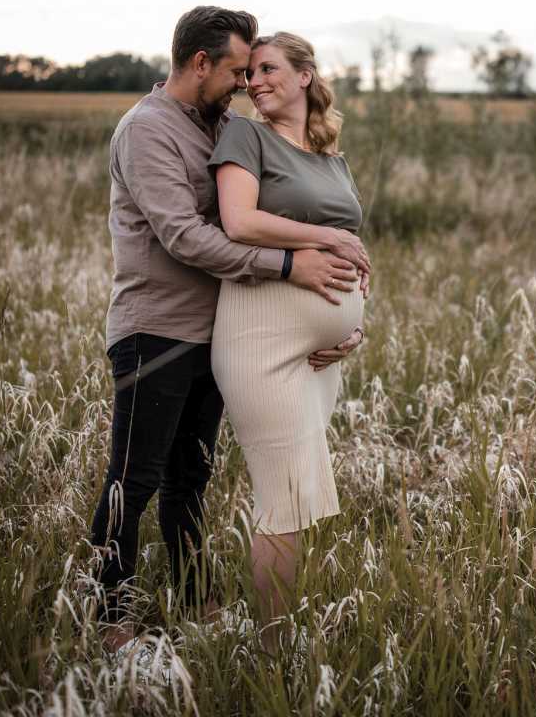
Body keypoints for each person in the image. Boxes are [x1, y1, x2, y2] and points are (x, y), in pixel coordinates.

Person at [89, 7, 367, 653]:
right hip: (155, 330)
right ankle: (110, 618)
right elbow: (186, 237)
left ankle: (192, 599)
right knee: (133, 479)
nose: (245, 84)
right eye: (238, 71)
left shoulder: (218, 126)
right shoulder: (148, 131)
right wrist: (292, 264)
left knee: (190, 479)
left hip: (212, 332)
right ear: (200, 64)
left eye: (256, 71)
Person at [208, 31, 366, 630]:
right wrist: (328, 239)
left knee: (299, 494)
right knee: (284, 499)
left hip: (321, 355)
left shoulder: (332, 157)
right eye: (250, 73)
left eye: (269, 68)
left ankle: (279, 630)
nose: (256, 81)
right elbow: (239, 221)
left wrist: (355, 325)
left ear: (305, 76)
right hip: (261, 336)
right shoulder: (245, 136)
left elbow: (354, 247)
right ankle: (271, 647)